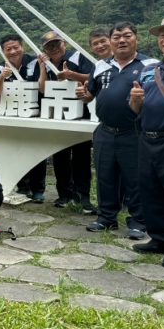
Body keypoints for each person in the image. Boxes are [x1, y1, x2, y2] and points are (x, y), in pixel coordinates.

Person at [77, 22, 156, 240]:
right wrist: (83, 95)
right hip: (104, 130)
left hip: (135, 131)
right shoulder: (101, 65)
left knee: (136, 178)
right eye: (117, 37)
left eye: (127, 36)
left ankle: (139, 222)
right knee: (105, 176)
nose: (121, 40)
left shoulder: (150, 65)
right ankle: (106, 218)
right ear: (111, 41)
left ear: (136, 38)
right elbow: (90, 93)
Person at [129, 13, 164, 269]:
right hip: (147, 138)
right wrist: (135, 100)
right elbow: (134, 109)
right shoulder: (148, 71)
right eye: (163, 34)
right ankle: (160, 238)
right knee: (150, 190)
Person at [34, 31, 96, 214]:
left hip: (80, 115)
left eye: (56, 44)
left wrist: (71, 75)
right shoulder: (45, 63)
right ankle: (64, 195)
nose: (53, 49)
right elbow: (43, 89)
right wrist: (43, 67)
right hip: (57, 116)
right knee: (60, 158)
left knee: (81, 158)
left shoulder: (77, 57)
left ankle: (83, 197)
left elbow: (93, 78)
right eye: (48, 46)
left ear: (64, 44)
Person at [0, 34, 46, 202]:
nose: (13, 51)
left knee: (37, 150)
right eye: (8, 49)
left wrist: (43, 67)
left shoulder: (34, 61)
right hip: (14, 114)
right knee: (17, 149)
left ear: (22, 47)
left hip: (36, 112)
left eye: (16, 47)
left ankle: (38, 189)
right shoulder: (1, 67)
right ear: (3, 51)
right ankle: (22, 186)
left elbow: (42, 87)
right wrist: (2, 76)